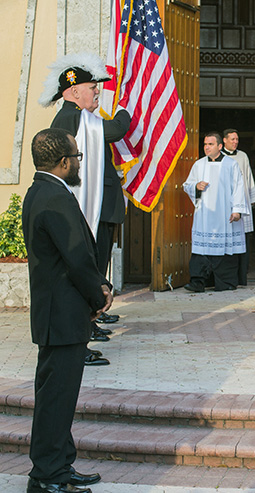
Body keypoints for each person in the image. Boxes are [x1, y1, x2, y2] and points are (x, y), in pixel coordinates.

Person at [22, 128, 111, 493]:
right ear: (63, 162)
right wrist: (98, 294)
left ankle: (60, 464)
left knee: (56, 397)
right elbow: (76, 257)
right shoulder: (55, 197)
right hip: (62, 315)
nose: (79, 163)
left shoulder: (39, 191)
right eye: (77, 157)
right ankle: (46, 477)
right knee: (56, 400)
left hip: (55, 314)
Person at [41, 52, 130, 366]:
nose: (97, 92)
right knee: (85, 274)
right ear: (71, 91)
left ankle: (87, 326)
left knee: (91, 272)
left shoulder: (76, 116)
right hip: (88, 210)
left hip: (95, 207)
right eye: (92, 87)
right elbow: (113, 130)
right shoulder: (73, 117)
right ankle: (81, 335)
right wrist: (125, 107)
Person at [183, 132, 250, 292]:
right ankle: (198, 282)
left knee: (224, 249)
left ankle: (225, 282)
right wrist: (195, 186)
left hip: (224, 214)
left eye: (210, 144)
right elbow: (187, 184)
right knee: (201, 249)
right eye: (205, 144)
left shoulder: (230, 164)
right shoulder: (199, 165)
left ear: (220, 146)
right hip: (204, 215)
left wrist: (237, 210)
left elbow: (239, 188)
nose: (206, 147)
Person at [222, 129, 255, 285]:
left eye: (237, 139)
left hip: (242, 202)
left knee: (244, 239)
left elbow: (248, 177)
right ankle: (227, 273)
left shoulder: (243, 156)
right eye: (232, 139)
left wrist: (251, 200)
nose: (235, 142)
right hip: (225, 204)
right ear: (224, 140)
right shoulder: (218, 156)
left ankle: (243, 272)